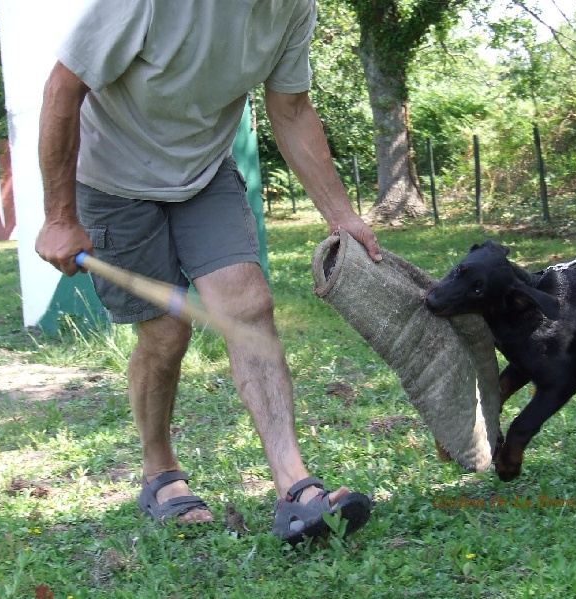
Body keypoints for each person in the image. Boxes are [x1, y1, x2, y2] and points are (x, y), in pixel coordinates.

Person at [34, 0, 382, 543]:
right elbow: (63, 86)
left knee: (249, 306)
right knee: (166, 335)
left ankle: (294, 489)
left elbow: (289, 107)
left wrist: (341, 214)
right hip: (110, 180)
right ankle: (159, 471)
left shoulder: (293, 7)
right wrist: (59, 216)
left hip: (202, 174)